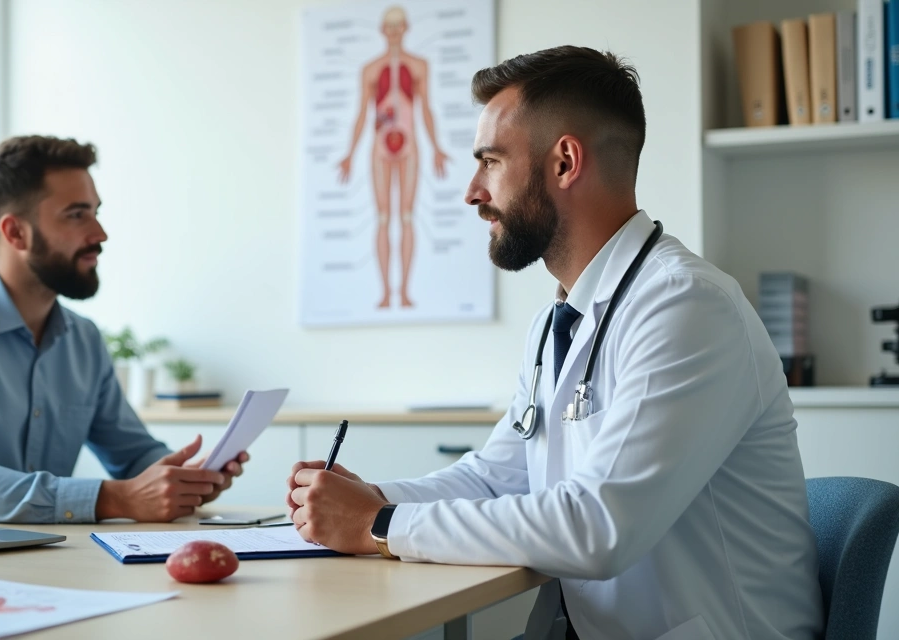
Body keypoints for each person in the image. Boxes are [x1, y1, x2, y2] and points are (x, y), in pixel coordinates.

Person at [287, 46, 824, 639]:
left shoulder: (685, 306)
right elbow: (496, 477)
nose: (471, 191)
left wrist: (381, 524)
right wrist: (367, 497)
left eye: (490, 161)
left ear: (565, 161)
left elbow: (598, 527)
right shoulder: (562, 319)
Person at [0, 135, 247, 525]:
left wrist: (188, 478)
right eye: (76, 215)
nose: (99, 234)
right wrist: (115, 499)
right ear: (15, 233)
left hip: (37, 557)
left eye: (96, 212)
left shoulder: (82, 339)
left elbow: (133, 456)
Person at [336, 5, 450, 309]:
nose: (395, 31)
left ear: (406, 28)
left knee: (408, 217)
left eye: (399, 25)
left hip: (410, 146)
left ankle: (406, 292)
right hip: (380, 150)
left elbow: (426, 108)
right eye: (390, 26)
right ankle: (387, 292)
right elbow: (362, 112)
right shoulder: (371, 69)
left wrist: (437, 146)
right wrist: (349, 153)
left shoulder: (419, 66)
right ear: (383, 30)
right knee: (384, 218)